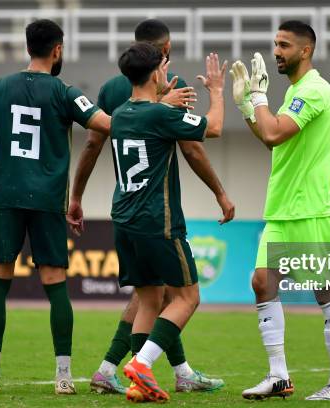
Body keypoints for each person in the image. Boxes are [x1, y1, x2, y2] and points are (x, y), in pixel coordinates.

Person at [0, 19, 111, 395]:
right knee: (56, 286)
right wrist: (151, 108)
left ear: (28, 48)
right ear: (57, 50)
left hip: (5, 197)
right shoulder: (66, 91)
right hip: (47, 201)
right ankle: (64, 377)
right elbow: (106, 125)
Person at [73, 19, 229, 395]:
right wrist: (218, 91)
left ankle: (139, 382)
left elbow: (106, 136)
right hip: (158, 220)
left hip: (123, 218)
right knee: (188, 297)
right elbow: (214, 129)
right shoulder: (162, 113)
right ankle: (140, 364)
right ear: (160, 66)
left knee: (148, 301)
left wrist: (161, 102)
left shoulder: (119, 113)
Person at [230, 21, 330, 401]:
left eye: (284, 45)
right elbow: (273, 141)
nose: (276, 51)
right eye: (275, 44)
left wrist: (259, 98)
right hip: (284, 209)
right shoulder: (296, 92)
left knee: (324, 291)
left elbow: (273, 132)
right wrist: (247, 105)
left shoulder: (315, 89)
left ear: (306, 50)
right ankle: (278, 376)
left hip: (313, 209)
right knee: (261, 282)